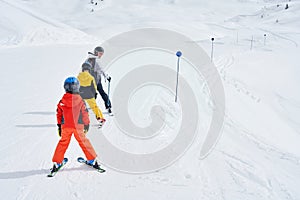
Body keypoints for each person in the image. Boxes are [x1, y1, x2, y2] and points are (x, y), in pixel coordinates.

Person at [51, 77, 101, 173]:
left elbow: (59, 114)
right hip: (78, 127)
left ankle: (57, 162)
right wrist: (86, 125)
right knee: (84, 142)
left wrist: (59, 126)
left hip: (65, 127)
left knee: (63, 143)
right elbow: (85, 113)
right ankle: (92, 159)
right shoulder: (81, 101)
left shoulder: (62, 102)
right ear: (77, 87)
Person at [86, 46, 113, 115]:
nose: (101, 55)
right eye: (100, 53)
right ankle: (108, 106)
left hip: (93, 80)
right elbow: (102, 69)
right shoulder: (95, 60)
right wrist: (107, 77)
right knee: (99, 93)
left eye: (102, 54)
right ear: (96, 52)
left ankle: (91, 107)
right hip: (95, 80)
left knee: (93, 93)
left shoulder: (89, 59)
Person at [77, 62, 106, 126]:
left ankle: (78, 120)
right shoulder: (91, 77)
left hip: (81, 95)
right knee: (95, 107)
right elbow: (94, 88)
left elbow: (77, 86)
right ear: (89, 70)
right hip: (89, 95)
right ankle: (100, 118)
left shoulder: (78, 77)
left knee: (80, 107)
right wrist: (94, 95)